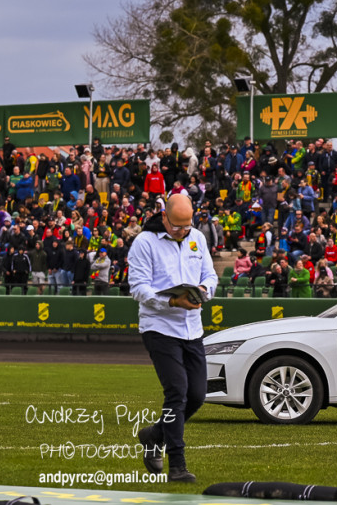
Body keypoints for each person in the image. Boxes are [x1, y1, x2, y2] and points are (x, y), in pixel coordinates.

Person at [128, 194, 217, 483]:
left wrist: (204, 289)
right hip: (159, 327)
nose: (183, 231)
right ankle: (177, 465)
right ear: (164, 216)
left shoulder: (197, 238)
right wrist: (173, 302)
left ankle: (154, 435)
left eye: (188, 226)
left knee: (197, 396)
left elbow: (211, 275)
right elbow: (139, 289)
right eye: (178, 226)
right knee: (177, 392)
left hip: (193, 328)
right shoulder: (144, 242)